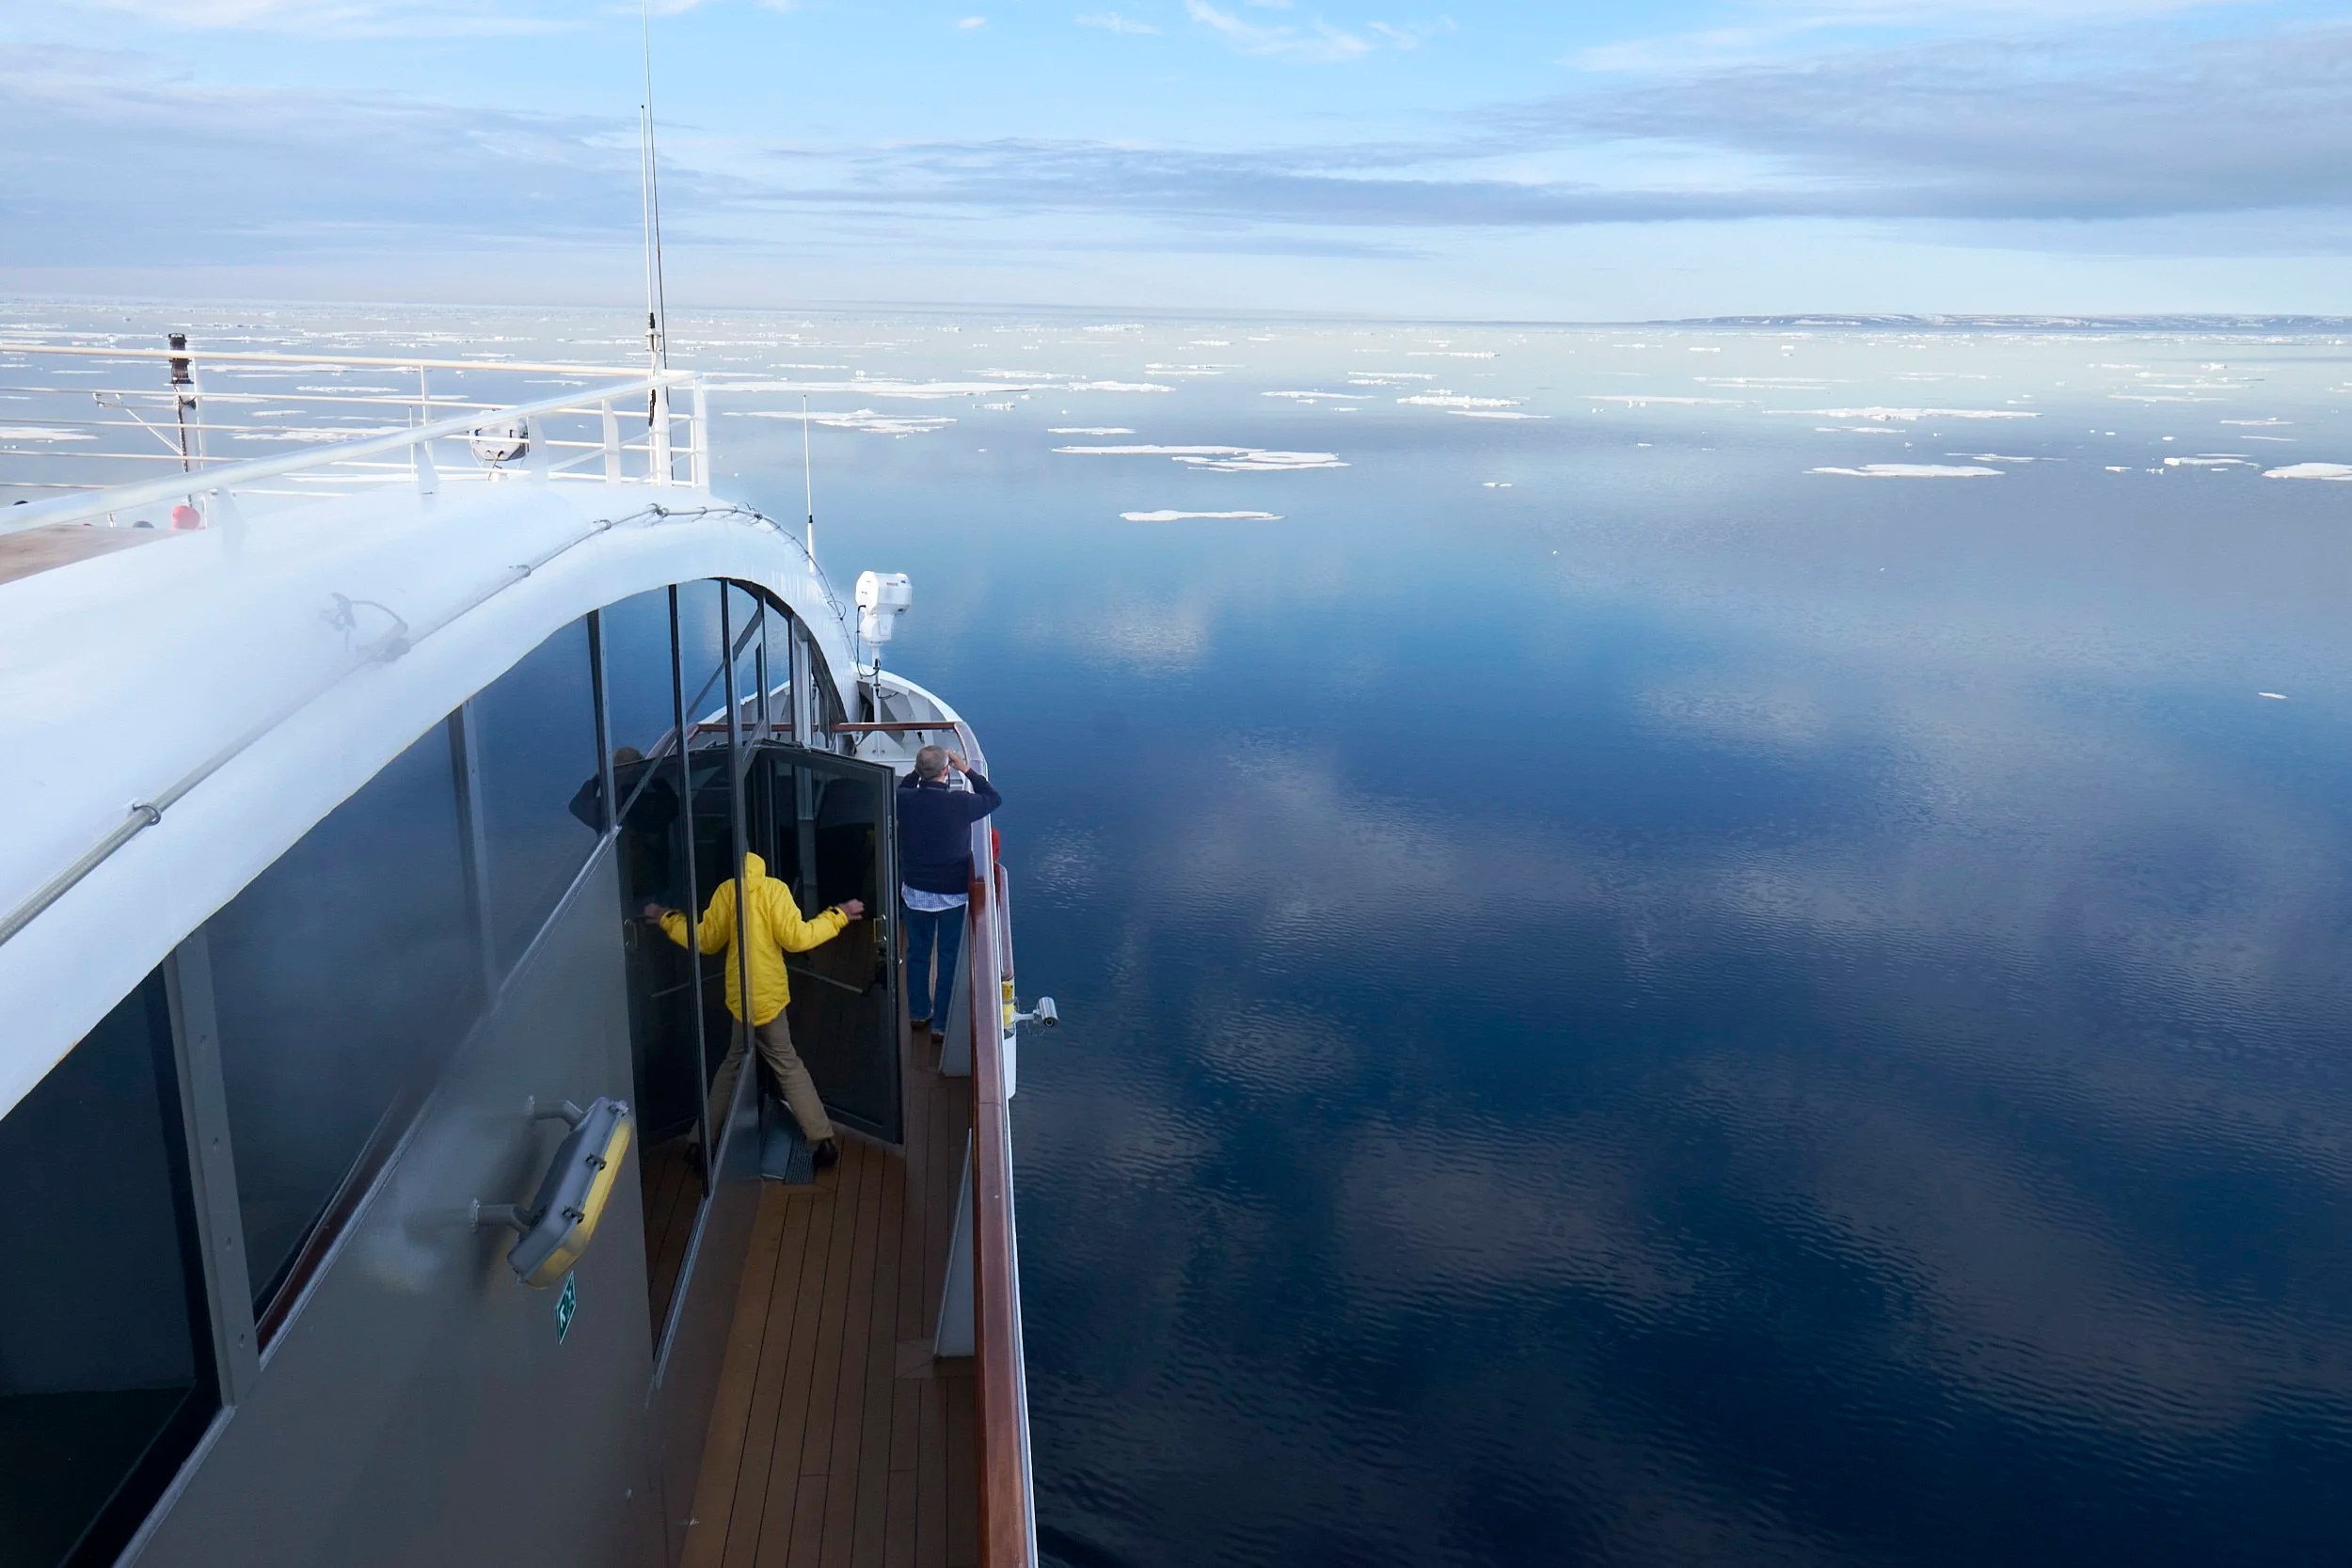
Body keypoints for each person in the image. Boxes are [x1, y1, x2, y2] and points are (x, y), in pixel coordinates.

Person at [644, 854, 863, 1169]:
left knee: (732, 1065)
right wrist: (838, 915)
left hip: (741, 1000)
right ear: (761, 867)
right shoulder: (775, 890)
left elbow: (705, 940)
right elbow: (798, 939)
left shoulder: (727, 891)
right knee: (787, 1064)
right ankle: (821, 1139)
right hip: (769, 998)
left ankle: (699, 1142)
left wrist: (667, 918)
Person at [897, 745, 1002, 1044]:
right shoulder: (961, 803)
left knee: (917, 954)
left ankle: (918, 1014)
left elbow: (905, 787)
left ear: (919, 772)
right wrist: (965, 768)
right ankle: (941, 1025)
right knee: (948, 957)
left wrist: (920, 770)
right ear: (947, 770)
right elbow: (993, 797)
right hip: (953, 895)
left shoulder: (904, 799)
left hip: (916, 892)